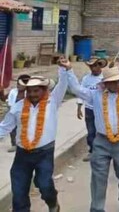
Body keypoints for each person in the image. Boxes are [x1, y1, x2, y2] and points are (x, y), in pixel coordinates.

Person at [65, 55, 119, 212]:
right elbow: (76, 89)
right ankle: (97, 207)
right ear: (106, 84)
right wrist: (68, 70)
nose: (117, 84)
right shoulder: (96, 95)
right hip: (101, 142)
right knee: (98, 177)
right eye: (113, 82)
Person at [0, 65, 69, 212]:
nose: (32, 94)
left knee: (44, 184)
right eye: (29, 91)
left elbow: (63, 85)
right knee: (18, 191)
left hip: (44, 153)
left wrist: (64, 69)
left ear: (44, 90)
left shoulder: (52, 102)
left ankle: (53, 203)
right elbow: (4, 127)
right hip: (22, 154)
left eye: (36, 90)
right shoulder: (18, 107)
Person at [75, 57, 107, 162]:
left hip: (102, 109)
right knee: (91, 131)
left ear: (100, 65)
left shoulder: (105, 78)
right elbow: (81, 92)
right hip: (89, 109)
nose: (94, 68)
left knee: (102, 131)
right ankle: (92, 151)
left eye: (96, 65)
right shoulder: (86, 79)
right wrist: (79, 106)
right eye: (91, 66)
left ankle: (104, 152)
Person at [4, 74, 30, 153]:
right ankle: (14, 144)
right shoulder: (13, 91)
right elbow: (9, 101)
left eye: (20, 84)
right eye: (17, 84)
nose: (18, 86)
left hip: (25, 113)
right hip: (13, 113)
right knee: (12, 129)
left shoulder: (29, 93)